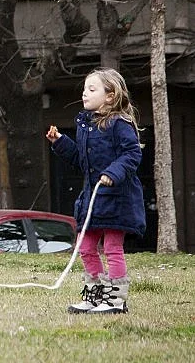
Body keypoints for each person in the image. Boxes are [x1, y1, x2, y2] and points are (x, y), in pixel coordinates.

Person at [46, 67, 144, 315]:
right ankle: (95, 295)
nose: (85, 93)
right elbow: (81, 160)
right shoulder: (85, 125)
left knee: (112, 247)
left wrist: (113, 173)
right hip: (92, 198)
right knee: (86, 247)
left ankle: (116, 299)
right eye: (84, 89)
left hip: (117, 199)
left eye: (92, 89)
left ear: (110, 96)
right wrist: (60, 142)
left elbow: (132, 154)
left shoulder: (119, 124)